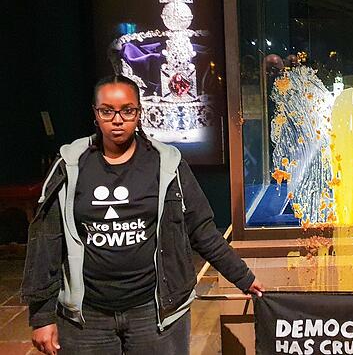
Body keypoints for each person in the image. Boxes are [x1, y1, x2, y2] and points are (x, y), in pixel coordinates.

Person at [22, 75, 264, 355]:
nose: (117, 120)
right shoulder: (71, 164)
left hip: (154, 312)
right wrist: (42, 316)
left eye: (127, 110)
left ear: (139, 112)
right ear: (95, 114)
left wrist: (243, 277)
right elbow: (46, 241)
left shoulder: (166, 163)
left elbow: (201, 229)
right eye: (107, 111)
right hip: (88, 318)